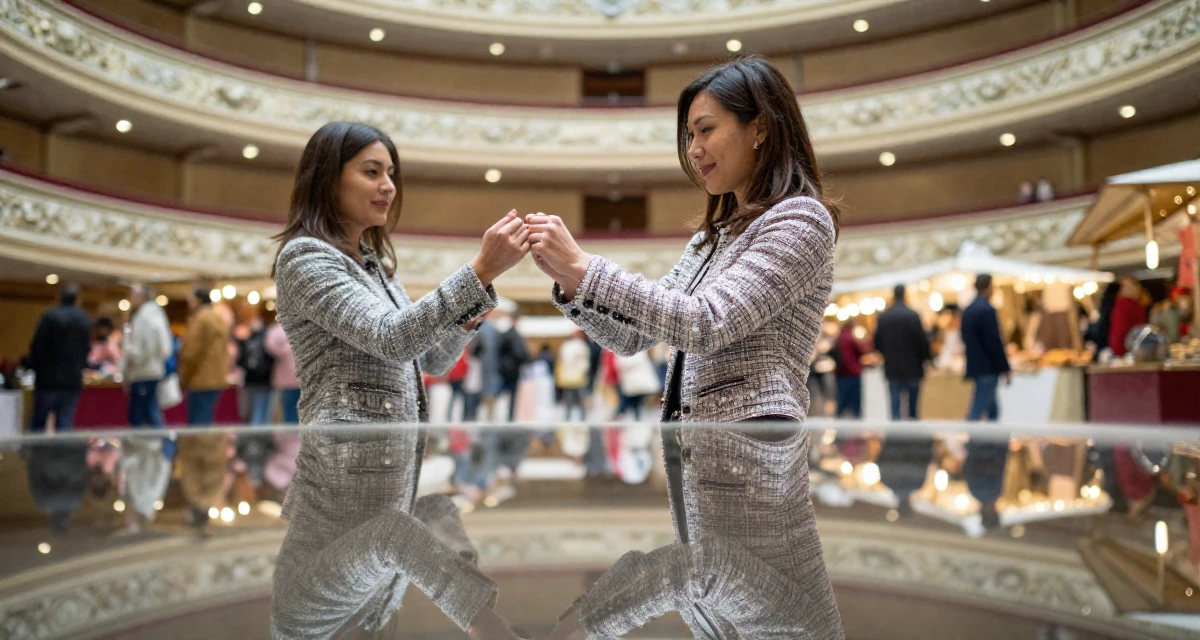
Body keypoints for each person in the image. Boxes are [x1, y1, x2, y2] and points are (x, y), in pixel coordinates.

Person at [532, 56, 845, 640]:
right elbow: (628, 335)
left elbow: (706, 322)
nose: (694, 149)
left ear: (761, 128)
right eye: (689, 136)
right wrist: (572, 283)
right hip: (702, 454)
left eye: (706, 130)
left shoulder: (799, 220)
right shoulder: (714, 237)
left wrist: (602, 621)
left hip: (754, 451)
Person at [268, 121, 529, 640]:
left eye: (391, 173)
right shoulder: (305, 258)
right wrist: (476, 272)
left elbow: (429, 357)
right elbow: (391, 337)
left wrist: (475, 303)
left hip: (381, 495)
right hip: (343, 489)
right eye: (371, 172)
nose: (388, 185)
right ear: (328, 178)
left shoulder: (374, 266)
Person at [960, 273, 1012, 530]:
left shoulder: (969, 310)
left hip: (977, 366)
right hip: (988, 367)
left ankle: (980, 439)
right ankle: (977, 439)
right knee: (983, 408)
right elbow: (994, 342)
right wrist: (1004, 367)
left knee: (990, 406)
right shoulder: (986, 310)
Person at [24, 283, 92, 432]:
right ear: (78, 299)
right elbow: (86, 349)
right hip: (72, 379)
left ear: (59, 297)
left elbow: (38, 346)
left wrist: (34, 367)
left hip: (47, 378)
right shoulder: (84, 319)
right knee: (64, 423)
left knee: (39, 423)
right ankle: (62, 455)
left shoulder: (50, 316)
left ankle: (36, 454)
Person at [873, 284, 930, 421]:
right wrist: (924, 360)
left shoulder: (884, 317)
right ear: (905, 295)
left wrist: (887, 355)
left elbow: (877, 343)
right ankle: (912, 438)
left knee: (895, 408)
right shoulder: (913, 315)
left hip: (892, 367)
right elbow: (922, 342)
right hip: (913, 367)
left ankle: (895, 439)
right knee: (912, 410)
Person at [124, 285, 174, 430]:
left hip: (142, 372)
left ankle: (161, 447)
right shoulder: (157, 315)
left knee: (143, 415)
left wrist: (127, 349)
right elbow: (165, 347)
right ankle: (161, 446)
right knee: (150, 411)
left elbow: (140, 350)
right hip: (153, 370)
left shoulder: (144, 318)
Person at [178, 287, 231, 427]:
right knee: (207, 418)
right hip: (217, 376)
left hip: (200, 377)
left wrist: (183, 375)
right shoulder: (218, 317)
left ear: (198, 300)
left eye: (191, 300)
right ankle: (206, 447)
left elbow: (191, 352)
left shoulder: (199, 319)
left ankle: (198, 449)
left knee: (197, 421)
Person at [237, 316, 275, 426]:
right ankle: (262, 436)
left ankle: (256, 434)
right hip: (264, 380)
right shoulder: (267, 339)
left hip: (253, 379)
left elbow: (241, 360)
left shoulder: (248, 340)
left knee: (255, 410)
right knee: (263, 410)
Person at [265, 321, 300, 424]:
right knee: (290, 408)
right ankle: (292, 435)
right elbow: (271, 347)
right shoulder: (279, 330)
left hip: (296, 378)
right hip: (287, 379)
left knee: (293, 408)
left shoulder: (277, 330)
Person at [833, 319, 869, 419]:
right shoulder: (849, 338)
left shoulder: (840, 337)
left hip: (842, 373)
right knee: (854, 401)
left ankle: (839, 420)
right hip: (851, 373)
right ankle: (855, 422)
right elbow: (859, 352)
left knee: (842, 399)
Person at [556, 330, 591, 422]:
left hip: (568, 376)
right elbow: (585, 363)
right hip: (578, 376)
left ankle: (567, 417)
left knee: (568, 397)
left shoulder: (566, 346)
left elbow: (563, 360)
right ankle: (583, 417)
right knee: (580, 396)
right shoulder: (582, 346)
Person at [1109, 276, 1147, 357]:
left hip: (1126, 350)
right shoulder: (1126, 305)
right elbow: (1121, 330)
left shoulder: (1124, 305)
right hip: (1127, 352)